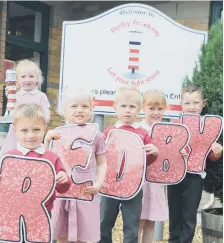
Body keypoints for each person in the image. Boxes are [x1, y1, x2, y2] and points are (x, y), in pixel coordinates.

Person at [45, 89, 107, 243]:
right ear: (64, 111)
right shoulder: (56, 135)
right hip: (62, 191)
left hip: (85, 190)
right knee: (61, 232)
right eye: (74, 106)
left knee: (84, 234)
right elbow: (46, 161)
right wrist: (46, 140)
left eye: (84, 106)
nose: (80, 110)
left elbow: (102, 162)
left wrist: (99, 183)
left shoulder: (97, 136)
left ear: (91, 110)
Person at [100, 87, 159, 243]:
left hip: (134, 186)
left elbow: (147, 162)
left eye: (132, 107)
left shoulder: (143, 134)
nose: (127, 110)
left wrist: (153, 153)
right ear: (115, 108)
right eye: (123, 106)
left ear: (138, 110)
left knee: (131, 226)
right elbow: (100, 158)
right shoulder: (108, 132)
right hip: (109, 186)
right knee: (103, 224)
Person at [168, 84, 223, 243]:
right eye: (187, 103)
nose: (192, 107)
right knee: (174, 214)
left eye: (196, 103)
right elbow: (167, 149)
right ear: (181, 104)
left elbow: (210, 154)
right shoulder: (175, 123)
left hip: (195, 177)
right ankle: (173, 240)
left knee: (189, 216)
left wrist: (217, 153)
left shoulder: (208, 126)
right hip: (174, 176)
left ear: (203, 103)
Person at [4, 103, 71, 215]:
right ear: (15, 131)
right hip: (13, 212)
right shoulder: (9, 158)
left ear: (44, 129)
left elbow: (62, 188)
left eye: (36, 130)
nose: (30, 135)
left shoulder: (52, 158)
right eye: (24, 130)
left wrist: (63, 180)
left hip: (43, 212)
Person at [0, 59, 50, 156]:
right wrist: (10, 98)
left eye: (31, 76)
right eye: (23, 76)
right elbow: (12, 115)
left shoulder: (41, 96)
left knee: (31, 158)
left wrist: (39, 121)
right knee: (10, 157)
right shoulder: (16, 95)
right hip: (15, 136)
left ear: (37, 79)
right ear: (17, 80)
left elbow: (47, 116)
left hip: (33, 135)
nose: (27, 79)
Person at [138, 90, 168, 243]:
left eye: (160, 109)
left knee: (151, 222)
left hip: (156, 183)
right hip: (141, 182)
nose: (156, 112)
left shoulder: (166, 132)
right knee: (137, 221)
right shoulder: (138, 130)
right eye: (152, 108)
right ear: (143, 108)